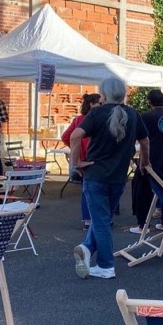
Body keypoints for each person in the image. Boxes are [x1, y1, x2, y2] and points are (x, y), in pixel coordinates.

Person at [71, 78, 149, 280]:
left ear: (103, 95)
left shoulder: (97, 113)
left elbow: (75, 136)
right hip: (118, 177)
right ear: (123, 94)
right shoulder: (133, 114)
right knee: (103, 219)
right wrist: (143, 162)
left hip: (96, 175)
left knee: (101, 222)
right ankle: (87, 248)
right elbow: (145, 141)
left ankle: (106, 265)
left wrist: (76, 162)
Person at [130, 89, 163, 234]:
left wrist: (143, 161)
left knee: (142, 191)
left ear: (149, 101)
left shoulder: (145, 117)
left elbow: (144, 141)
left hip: (149, 159)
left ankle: (143, 225)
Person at [62, 93, 102, 230]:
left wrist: (76, 152)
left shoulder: (78, 119)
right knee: (97, 189)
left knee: (88, 190)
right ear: (91, 104)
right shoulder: (95, 119)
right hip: (95, 158)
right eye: (99, 103)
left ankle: (87, 220)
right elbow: (67, 137)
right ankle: (96, 219)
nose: (102, 106)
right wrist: (76, 150)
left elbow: (67, 137)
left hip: (85, 158)